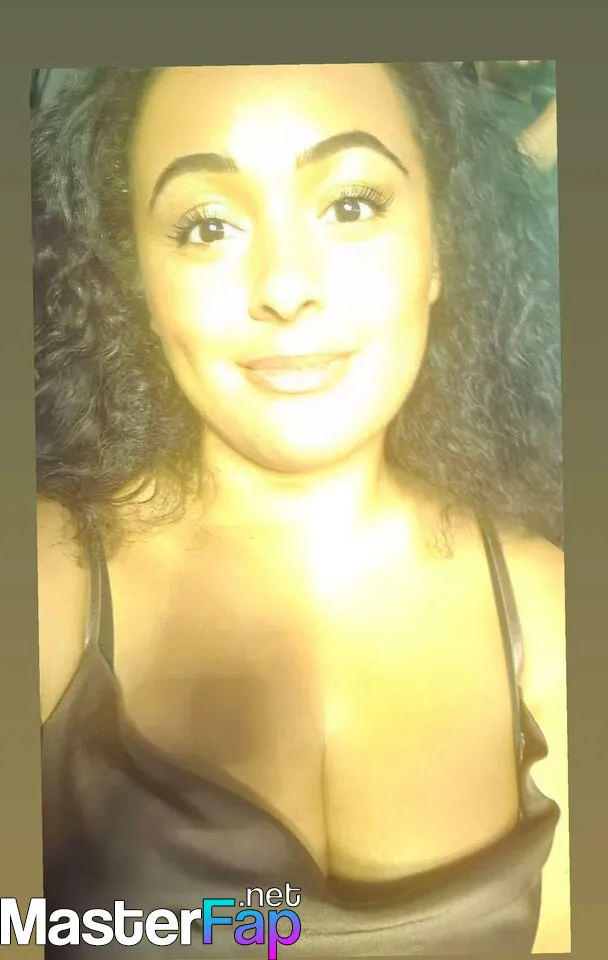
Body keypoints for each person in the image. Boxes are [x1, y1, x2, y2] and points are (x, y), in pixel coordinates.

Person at [32, 63, 567, 956]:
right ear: (141, 283)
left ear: (440, 252)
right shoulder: (46, 581)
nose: (285, 289)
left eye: (352, 205)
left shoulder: (554, 613)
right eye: (207, 226)